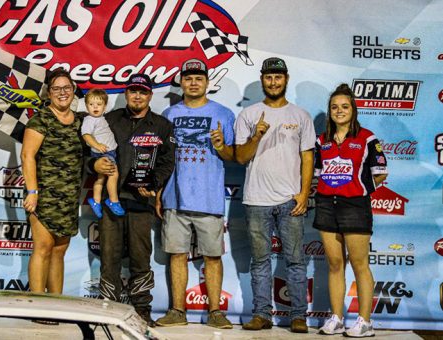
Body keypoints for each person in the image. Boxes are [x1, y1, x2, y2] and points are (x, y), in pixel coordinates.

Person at [234, 57, 315, 333]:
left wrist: (304, 193)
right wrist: (256, 137)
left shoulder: (300, 115)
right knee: (260, 261)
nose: (273, 82)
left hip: (290, 199)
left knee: (295, 260)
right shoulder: (248, 114)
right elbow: (241, 158)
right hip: (256, 200)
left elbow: (307, 157)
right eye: (268, 77)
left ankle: (298, 316)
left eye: (278, 77)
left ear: (286, 79)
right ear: (262, 80)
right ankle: (261, 314)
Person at [155, 59, 235, 329]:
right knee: (176, 255)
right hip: (174, 197)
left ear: (207, 83)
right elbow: (163, 157)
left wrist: (222, 146)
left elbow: (232, 155)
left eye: (198, 78)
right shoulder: (168, 114)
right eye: (188, 78)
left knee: (213, 257)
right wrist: (159, 190)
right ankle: (177, 310)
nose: (193, 82)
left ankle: (215, 312)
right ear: (181, 81)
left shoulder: (224, 114)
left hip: (209, 198)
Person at [91, 73, 176, 326]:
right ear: (126, 94)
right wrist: (94, 163)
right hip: (111, 200)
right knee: (109, 256)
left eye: (142, 91)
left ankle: (141, 309)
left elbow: (167, 162)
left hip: (141, 202)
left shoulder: (161, 125)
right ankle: (108, 308)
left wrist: (153, 183)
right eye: (132, 91)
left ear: (150, 95)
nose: (137, 95)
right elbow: (90, 151)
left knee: (141, 256)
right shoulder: (109, 120)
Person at [315, 84, 387, 337]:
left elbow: (380, 173)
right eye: (334, 107)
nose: (339, 111)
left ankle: (365, 322)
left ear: (353, 110)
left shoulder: (367, 138)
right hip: (325, 204)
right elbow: (316, 173)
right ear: (329, 112)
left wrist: (357, 189)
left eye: (345, 106)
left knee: (359, 263)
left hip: (355, 206)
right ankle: (336, 318)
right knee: (335, 263)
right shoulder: (321, 140)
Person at [21, 68, 83, 296]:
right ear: (48, 93)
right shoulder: (41, 119)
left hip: (68, 197)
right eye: (57, 88)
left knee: (59, 250)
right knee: (44, 248)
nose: (62, 92)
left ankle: (56, 303)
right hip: (44, 195)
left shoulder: (81, 121)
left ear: (74, 91)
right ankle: (37, 304)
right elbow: (27, 156)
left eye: (67, 88)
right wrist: (32, 191)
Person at [82, 89, 125, 218]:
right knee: (113, 174)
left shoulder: (100, 118)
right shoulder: (89, 120)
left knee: (101, 178)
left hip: (109, 152)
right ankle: (113, 201)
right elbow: (86, 135)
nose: (95, 107)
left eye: (99, 104)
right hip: (104, 153)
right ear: (86, 106)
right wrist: (97, 145)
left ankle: (95, 201)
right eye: (91, 104)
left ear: (105, 106)